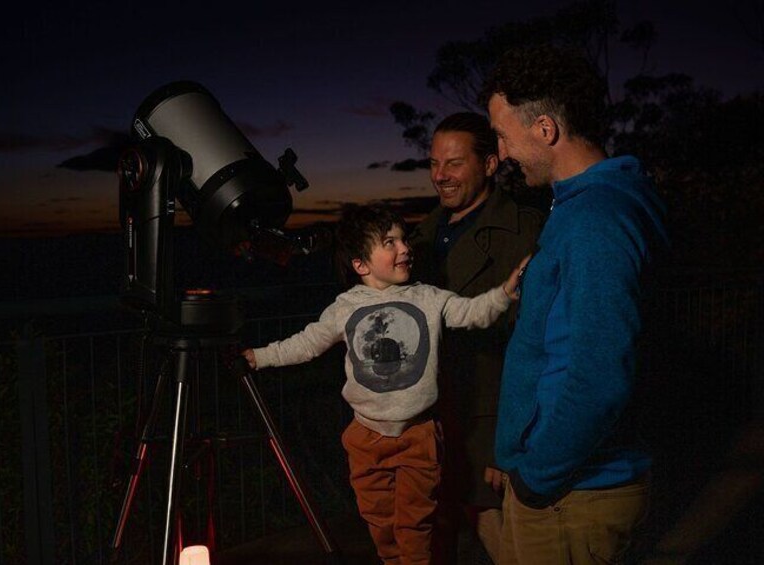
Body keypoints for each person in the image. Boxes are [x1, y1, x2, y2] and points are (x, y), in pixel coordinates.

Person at [242, 204, 527, 565]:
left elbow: (473, 312)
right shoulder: (346, 307)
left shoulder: (429, 297)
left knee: (414, 527)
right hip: (366, 437)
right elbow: (305, 343)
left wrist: (504, 291)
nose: (405, 248)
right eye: (389, 242)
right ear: (361, 264)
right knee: (381, 525)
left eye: (403, 239)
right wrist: (259, 356)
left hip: (417, 435)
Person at [483, 44, 670, 564]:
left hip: (573, 494)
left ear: (545, 129)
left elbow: (601, 373)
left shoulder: (595, 220)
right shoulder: (591, 205)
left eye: (502, 134)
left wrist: (537, 476)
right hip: (564, 486)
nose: (499, 153)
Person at [409, 112, 543, 563]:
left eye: (453, 164)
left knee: (503, 539)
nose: (440, 176)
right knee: (435, 535)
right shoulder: (422, 235)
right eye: (433, 164)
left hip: (487, 420)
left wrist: (510, 441)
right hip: (428, 417)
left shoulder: (524, 231)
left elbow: (535, 343)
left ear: (489, 165)